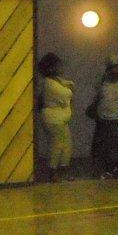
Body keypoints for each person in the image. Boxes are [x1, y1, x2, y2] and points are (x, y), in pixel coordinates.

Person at [90, 56, 118, 179]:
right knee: (100, 145)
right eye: (114, 67)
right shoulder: (103, 80)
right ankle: (100, 169)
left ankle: (111, 169)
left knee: (113, 146)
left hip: (115, 119)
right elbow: (97, 94)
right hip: (102, 118)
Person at [38, 52, 74, 182]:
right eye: (59, 65)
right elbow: (66, 94)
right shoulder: (50, 84)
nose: (61, 67)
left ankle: (63, 170)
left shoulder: (55, 81)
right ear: (51, 68)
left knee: (67, 144)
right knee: (56, 145)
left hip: (60, 119)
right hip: (53, 119)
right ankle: (52, 172)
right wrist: (70, 88)